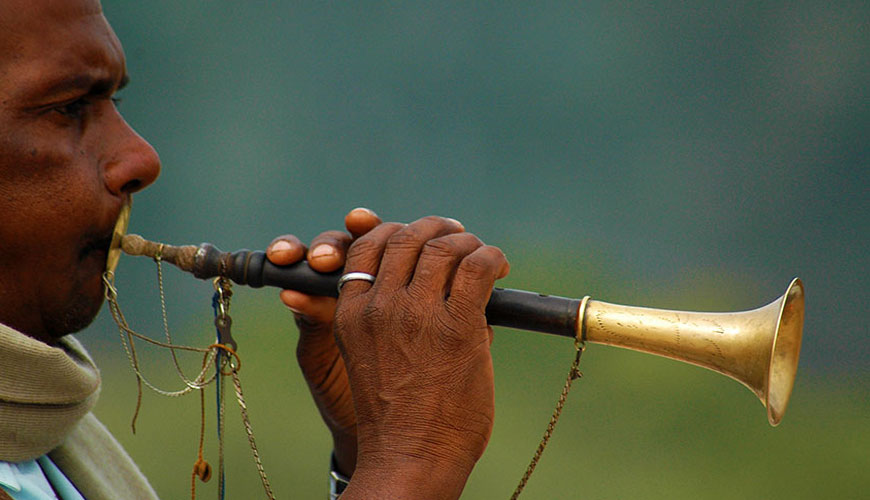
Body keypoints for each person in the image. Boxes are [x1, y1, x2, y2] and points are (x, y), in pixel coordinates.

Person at [0, 1, 509, 499]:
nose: (141, 158)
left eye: (115, 103)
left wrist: (368, 449)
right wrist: (411, 464)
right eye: (68, 108)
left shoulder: (46, 434)